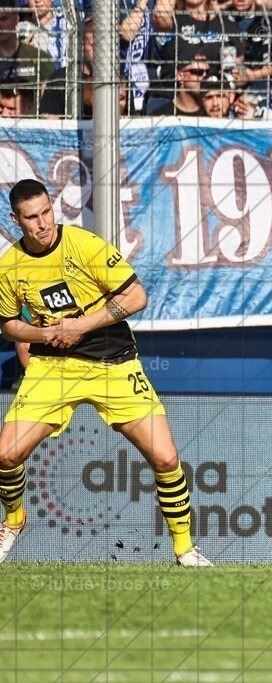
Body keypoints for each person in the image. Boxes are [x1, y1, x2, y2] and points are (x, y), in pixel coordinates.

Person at [0, 179, 211, 567]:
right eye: (32, 218)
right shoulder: (9, 265)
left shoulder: (85, 246)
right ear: (16, 220)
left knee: (165, 458)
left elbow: (136, 297)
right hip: (53, 368)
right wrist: (41, 333)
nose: (43, 223)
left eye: (47, 212)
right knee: (6, 454)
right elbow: (8, 324)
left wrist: (79, 326)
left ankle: (185, 550)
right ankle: (14, 520)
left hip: (113, 363)